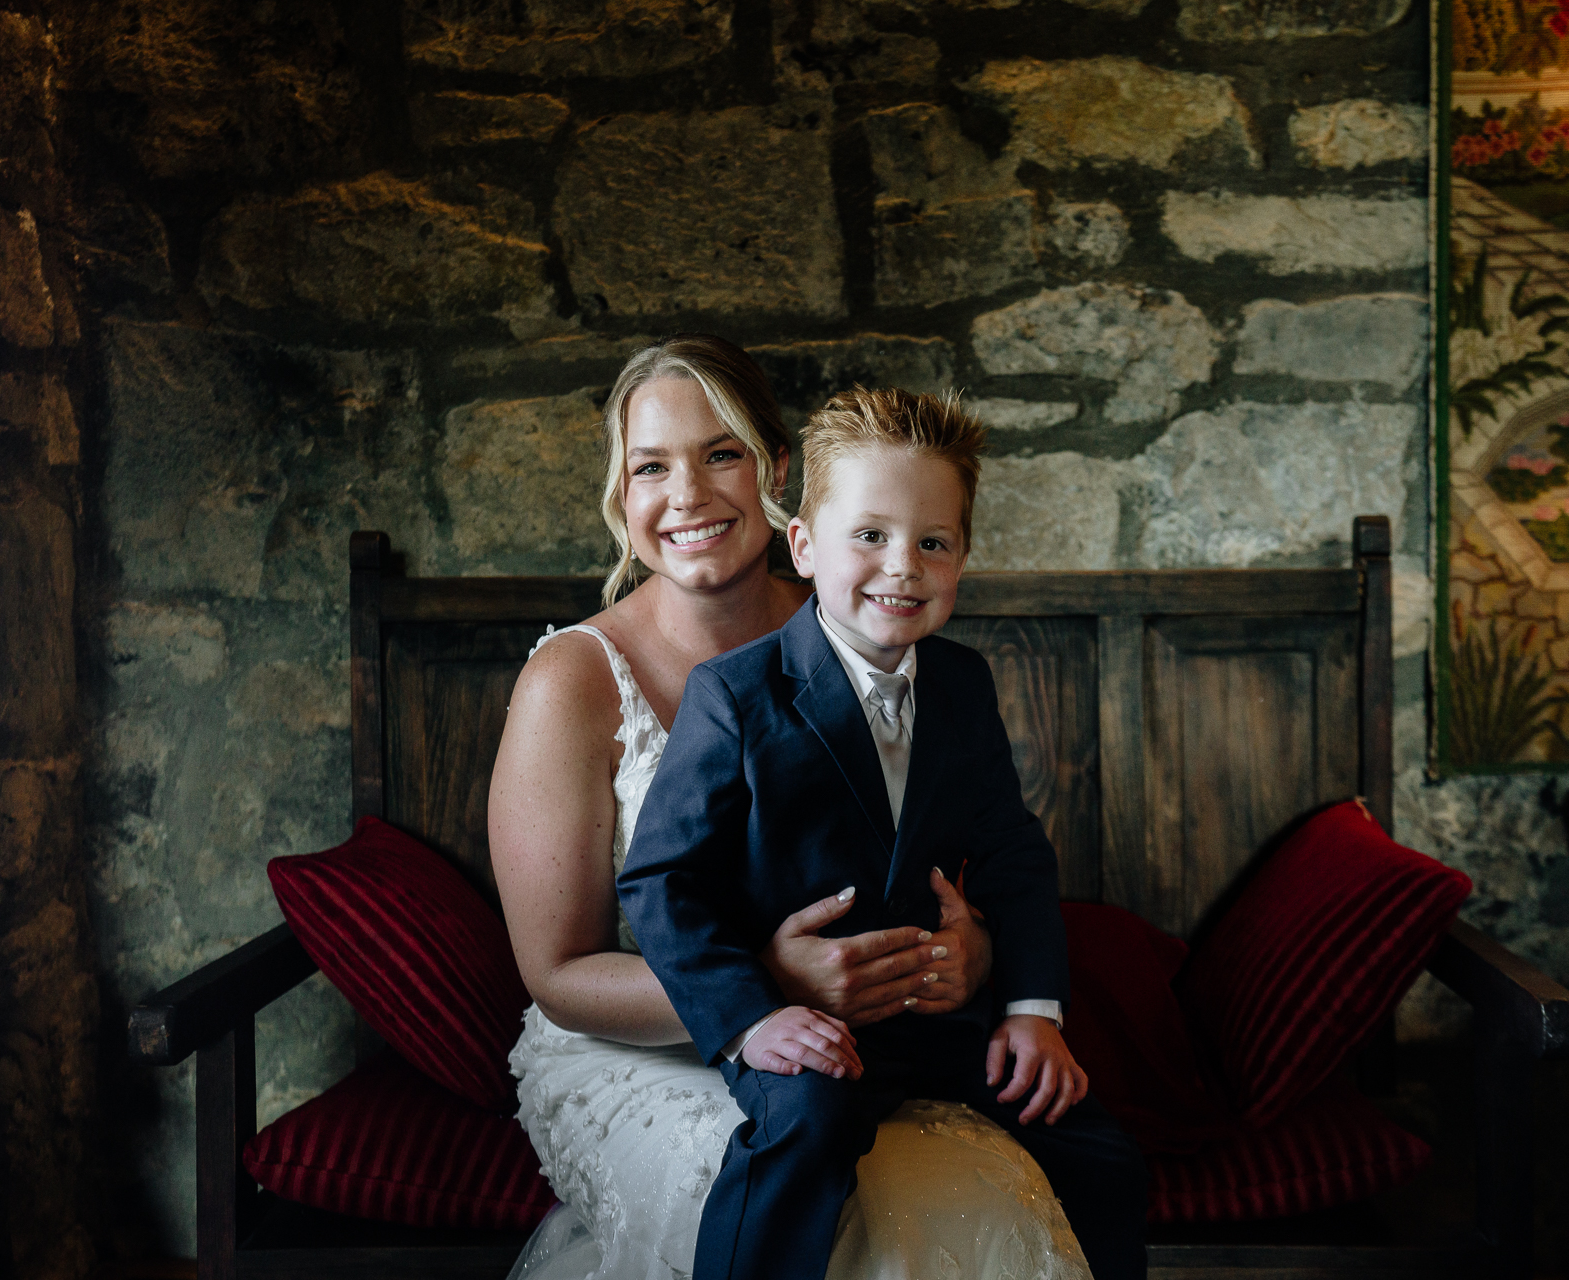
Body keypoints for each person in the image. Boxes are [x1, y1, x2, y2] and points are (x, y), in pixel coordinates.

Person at [489, 335, 1094, 1280]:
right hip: (651, 1042)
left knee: (988, 1196)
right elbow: (560, 974)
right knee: (852, 1220)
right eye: (652, 466)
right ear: (622, 491)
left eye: (720, 453)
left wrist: (972, 955)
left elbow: (966, 854)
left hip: (874, 1029)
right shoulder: (571, 679)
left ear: (777, 474)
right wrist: (767, 989)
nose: (687, 495)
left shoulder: (869, 619)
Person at [617, 387, 1148, 1280]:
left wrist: (1030, 1011)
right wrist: (753, 1021)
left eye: (931, 543)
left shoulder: (964, 684)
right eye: (869, 536)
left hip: (936, 1022)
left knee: (1095, 1145)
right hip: (807, 1022)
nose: (901, 567)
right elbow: (661, 882)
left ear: (961, 559)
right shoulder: (738, 695)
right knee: (805, 1132)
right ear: (805, 546)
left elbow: (1013, 853)